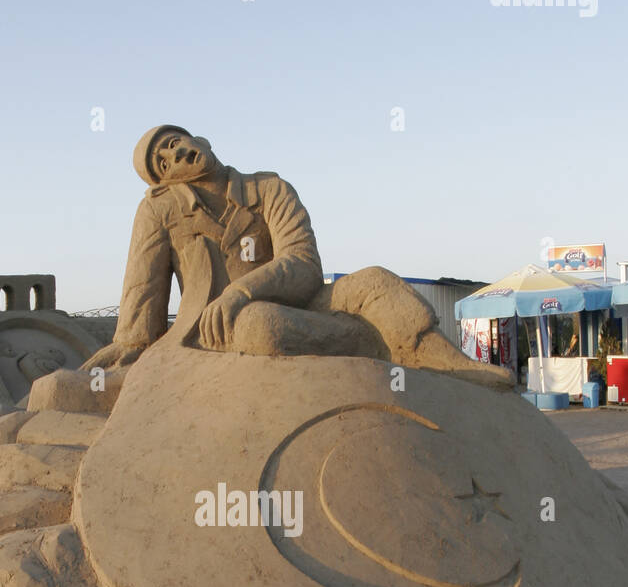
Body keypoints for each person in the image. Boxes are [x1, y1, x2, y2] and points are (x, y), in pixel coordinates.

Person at [84, 125, 513, 389]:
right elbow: (143, 299)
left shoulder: (268, 188)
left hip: (303, 307)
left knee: (374, 280)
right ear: (165, 182)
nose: (174, 153)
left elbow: (304, 263)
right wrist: (128, 346)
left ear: (200, 141)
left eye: (176, 142)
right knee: (257, 325)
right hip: (220, 332)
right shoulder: (160, 213)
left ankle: (449, 364)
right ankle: (370, 342)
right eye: (163, 161)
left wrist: (241, 290)